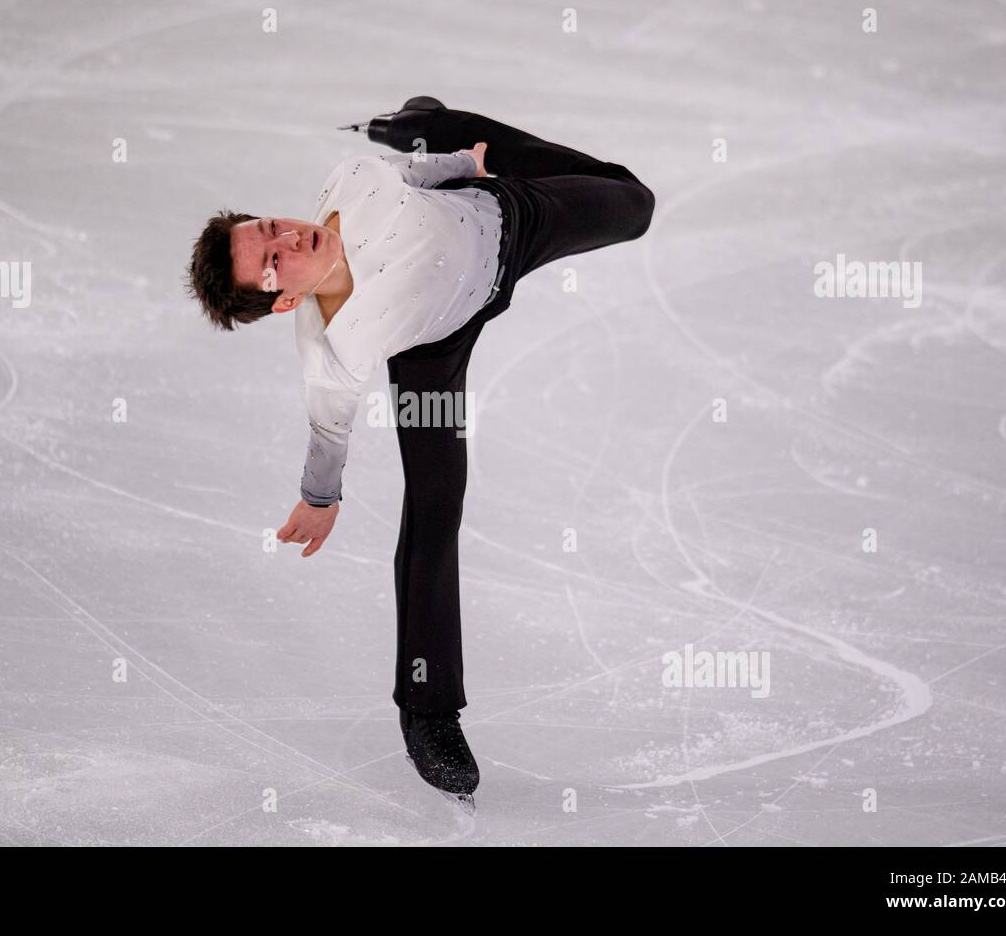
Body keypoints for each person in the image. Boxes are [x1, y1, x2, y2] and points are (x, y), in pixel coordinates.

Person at [186, 98, 655, 799]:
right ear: (283, 302)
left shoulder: (353, 178)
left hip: (506, 224)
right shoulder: (336, 348)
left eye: (270, 227)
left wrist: (468, 159)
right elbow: (328, 434)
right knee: (436, 501)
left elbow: (415, 177)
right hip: (430, 348)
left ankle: (437, 117)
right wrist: (319, 499)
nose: (289, 239)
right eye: (273, 261)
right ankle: (428, 709)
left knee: (634, 202)